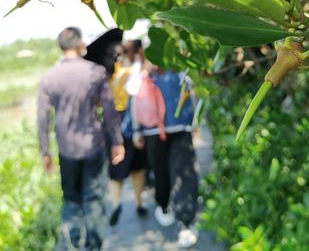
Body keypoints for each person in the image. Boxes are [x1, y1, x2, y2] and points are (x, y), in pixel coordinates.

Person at [37, 27, 125, 251]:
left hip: (66, 149)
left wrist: (45, 152)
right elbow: (110, 109)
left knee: (72, 199)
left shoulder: (49, 78)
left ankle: (72, 244)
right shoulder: (95, 72)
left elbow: (43, 118)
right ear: (80, 45)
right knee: (94, 199)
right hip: (93, 146)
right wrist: (117, 141)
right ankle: (94, 246)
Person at [134, 67, 200, 248]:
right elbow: (136, 100)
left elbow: (193, 92)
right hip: (156, 129)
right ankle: (164, 204)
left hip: (177, 128)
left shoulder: (180, 68)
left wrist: (196, 121)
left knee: (182, 175)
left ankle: (185, 222)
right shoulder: (145, 74)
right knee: (162, 173)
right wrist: (136, 129)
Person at [107, 39, 149, 225]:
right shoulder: (136, 70)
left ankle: (116, 204)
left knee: (116, 168)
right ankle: (139, 203)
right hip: (135, 119)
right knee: (138, 167)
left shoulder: (110, 72)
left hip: (114, 122)